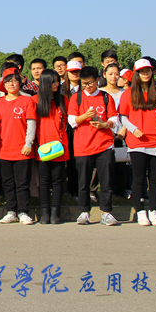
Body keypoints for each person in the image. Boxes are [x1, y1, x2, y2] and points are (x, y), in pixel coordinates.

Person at [118, 59, 156, 226]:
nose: (145, 74)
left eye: (148, 71)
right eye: (142, 71)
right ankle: (140, 212)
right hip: (137, 141)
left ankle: (154, 212)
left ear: (152, 72)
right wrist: (133, 129)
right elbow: (123, 116)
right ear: (136, 74)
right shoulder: (128, 93)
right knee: (138, 178)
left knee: (155, 179)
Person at [67, 66, 120, 225]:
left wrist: (105, 124)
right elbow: (72, 121)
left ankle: (106, 212)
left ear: (97, 80)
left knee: (106, 180)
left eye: (90, 83)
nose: (87, 86)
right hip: (83, 146)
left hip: (104, 145)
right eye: (84, 83)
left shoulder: (106, 97)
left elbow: (115, 120)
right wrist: (85, 116)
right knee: (83, 181)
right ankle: (84, 212)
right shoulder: (76, 97)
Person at [0, 67, 37, 225]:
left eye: (14, 81)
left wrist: (28, 143)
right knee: (8, 183)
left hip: (23, 149)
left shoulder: (27, 101)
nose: (12, 84)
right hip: (4, 150)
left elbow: (31, 124)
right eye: (8, 81)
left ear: (20, 83)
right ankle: (11, 211)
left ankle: (23, 211)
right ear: (3, 85)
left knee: (22, 183)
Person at [34, 69, 70, 224]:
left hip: (59, 147)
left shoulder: (63, 100)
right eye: (53, 81)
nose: (57, 84)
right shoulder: (35, 100)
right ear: (45, 82)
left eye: (58, 81)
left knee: (57, 180)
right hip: (42, 147)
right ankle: (45, 211)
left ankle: (55, 212)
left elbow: (66, 122)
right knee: (43, 181)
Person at [101, 63, 131, 199]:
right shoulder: (100, 93)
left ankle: (123, 190)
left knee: (122, 163)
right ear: (104, 75)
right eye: (110, 73)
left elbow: (130, 113)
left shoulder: (126, 93)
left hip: (123, 132)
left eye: (117, 74)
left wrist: (124, 130)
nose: (114, 76)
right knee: (107, 164)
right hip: (106, 132)